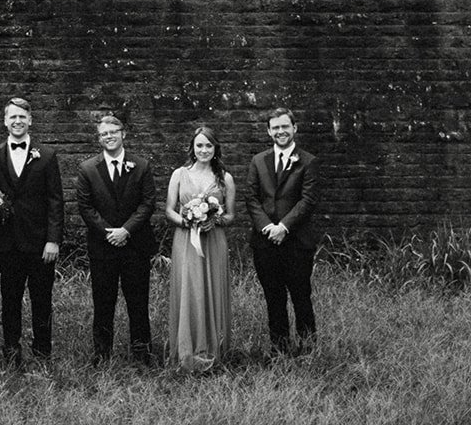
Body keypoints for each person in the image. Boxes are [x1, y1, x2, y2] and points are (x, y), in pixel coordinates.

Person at [74, 110, 157, 365]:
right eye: (104, 134)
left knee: (138, 303)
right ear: (99, 139)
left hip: (135, 246)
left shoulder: (141, 165)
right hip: (103, 247)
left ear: (123, 134)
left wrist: (126, 230)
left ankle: (143, 355)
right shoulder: (87, 169)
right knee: (103, 303)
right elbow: (86, 208)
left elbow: (148, 203)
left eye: (113, 132)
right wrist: (109, 233)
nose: (109, 137)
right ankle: (102, 356)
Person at [0, 96, 64, 365]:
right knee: (10, 298)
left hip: (40, 243)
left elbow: (55, 201)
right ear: (5, 121)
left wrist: (53, 240)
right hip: (7, 242)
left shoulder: (47, 155)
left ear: (30, 120)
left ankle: (42, 352)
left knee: (41, 299)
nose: (17, 121)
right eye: (13, 117)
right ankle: (11, 352)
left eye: (23, 116)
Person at [246, 106, 321, 356]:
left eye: (285, 127)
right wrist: (268, 227)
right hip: (265, 242)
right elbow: (252, 198)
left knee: (301, 297)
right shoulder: (258, 160)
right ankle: (279, 351)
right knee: (274, 299)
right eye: (276, 127)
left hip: (297, 242)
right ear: (269, 131)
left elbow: (308, 201)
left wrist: (284, 227)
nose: (281, 131)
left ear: (294, 128)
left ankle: (308, 350)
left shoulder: (308, 161)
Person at [165, 124, 236, 372]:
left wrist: (213, 218)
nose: (204, 150)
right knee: (190, 290)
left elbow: (230, 216)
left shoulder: (224, 178)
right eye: (199, 145)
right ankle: (187, 352)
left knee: (212, 290)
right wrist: (189, 220)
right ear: (192, 148)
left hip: (213, 241)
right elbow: (169, 211)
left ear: (215, 149)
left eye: (209, 145)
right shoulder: (179, 174)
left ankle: (215, 351)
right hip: (186, 241)